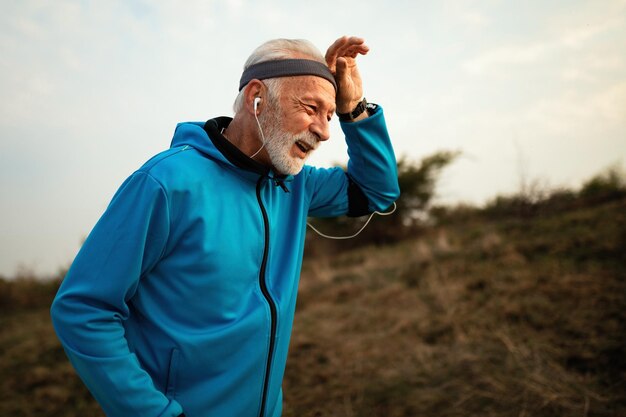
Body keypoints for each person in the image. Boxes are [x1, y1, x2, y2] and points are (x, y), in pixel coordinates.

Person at [51, 35, 400, 417]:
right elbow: (83, 309)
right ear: (257, 98)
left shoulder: (295, 183)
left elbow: (378, 192)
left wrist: (353, 108)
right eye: (310, 108)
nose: (324, 130)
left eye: (330, 115)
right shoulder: (166, 182)